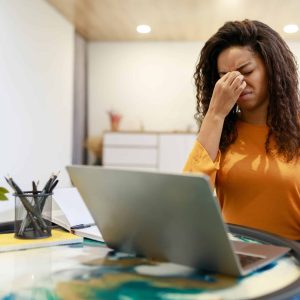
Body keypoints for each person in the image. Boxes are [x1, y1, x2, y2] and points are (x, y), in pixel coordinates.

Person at [184, 19, 300, 240]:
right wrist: (215, 114)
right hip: (234, 253)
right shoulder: (221, 130)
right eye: (223, 77)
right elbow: (189, 199)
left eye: (246, 71)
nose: (236, 83)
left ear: (272, 68)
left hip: (291, 257)